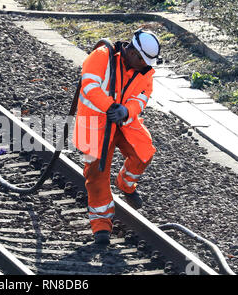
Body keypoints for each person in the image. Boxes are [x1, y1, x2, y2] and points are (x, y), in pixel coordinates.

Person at [72, 29, 160, 245]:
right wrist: (111, 107)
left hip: (123, 123)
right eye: (144, 61)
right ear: (133, 54)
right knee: (97, 174)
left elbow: (142, 97)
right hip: (94, 125)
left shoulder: (145, 72)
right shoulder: (102, 56)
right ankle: (101, 225)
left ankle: (126, 184)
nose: (147, 67)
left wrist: (126, 112)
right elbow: (90, 87)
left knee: (144, 153)